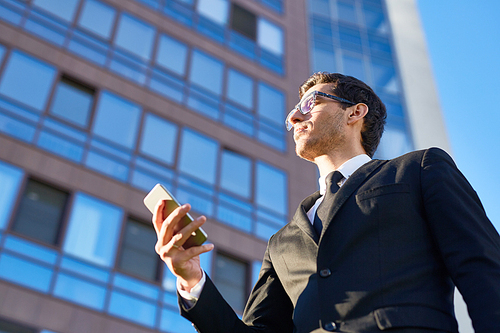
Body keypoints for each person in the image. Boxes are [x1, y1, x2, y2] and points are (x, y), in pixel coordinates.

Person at [152, 72, 500, 333]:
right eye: (292, 112)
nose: (293, 118)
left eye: (309, 104)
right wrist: (191, 278)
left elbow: (482, 267)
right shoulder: (281, 243)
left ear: (355, 113)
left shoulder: (418, 170)